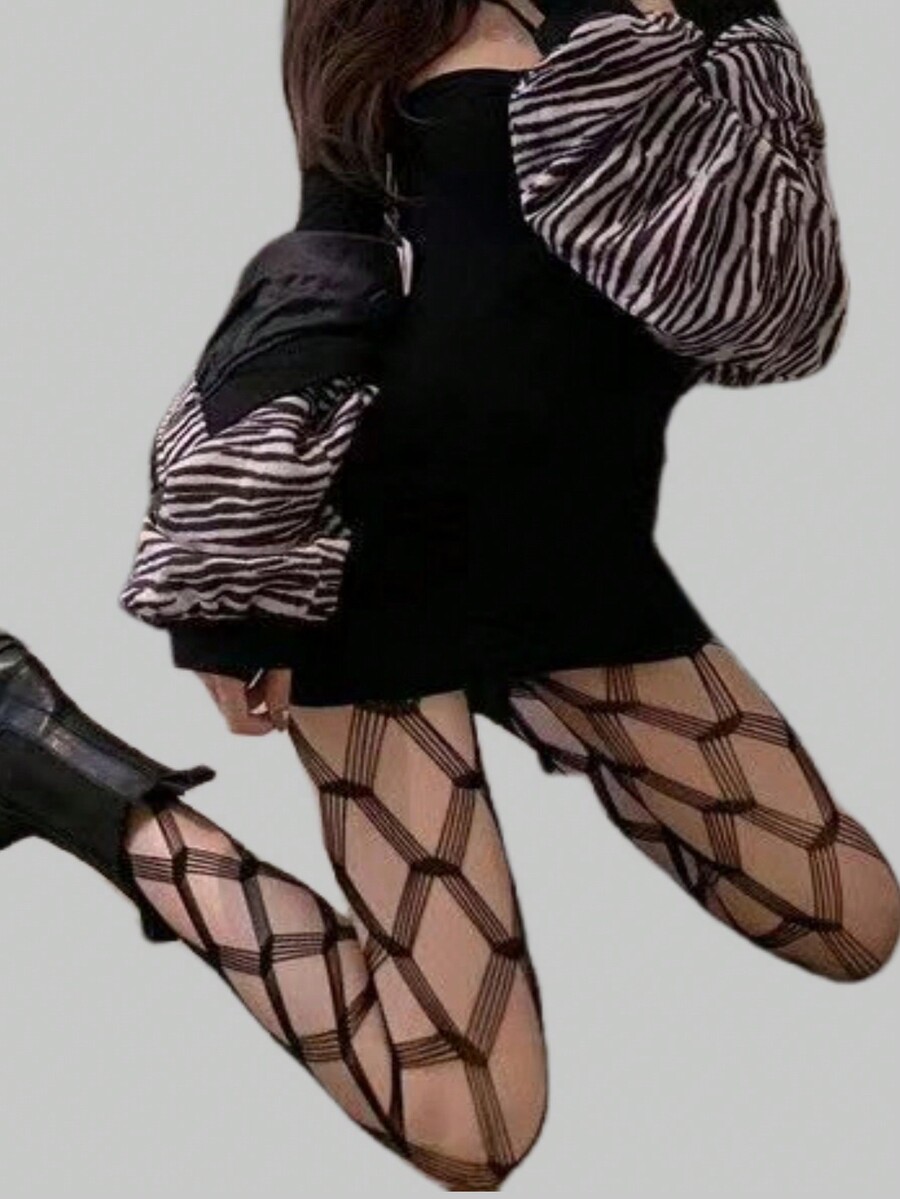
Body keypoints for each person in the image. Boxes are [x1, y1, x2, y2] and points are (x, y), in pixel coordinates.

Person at [1, 2, 898, 1192]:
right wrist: (234, 582)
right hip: (379, 552)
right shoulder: (377, 13)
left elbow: (780, 309)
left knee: (854, 921)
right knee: (473, 1126)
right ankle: (58, 767)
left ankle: (527, 696)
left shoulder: (710, 16)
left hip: (576, 548)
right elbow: (325, 269)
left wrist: (622, 49)